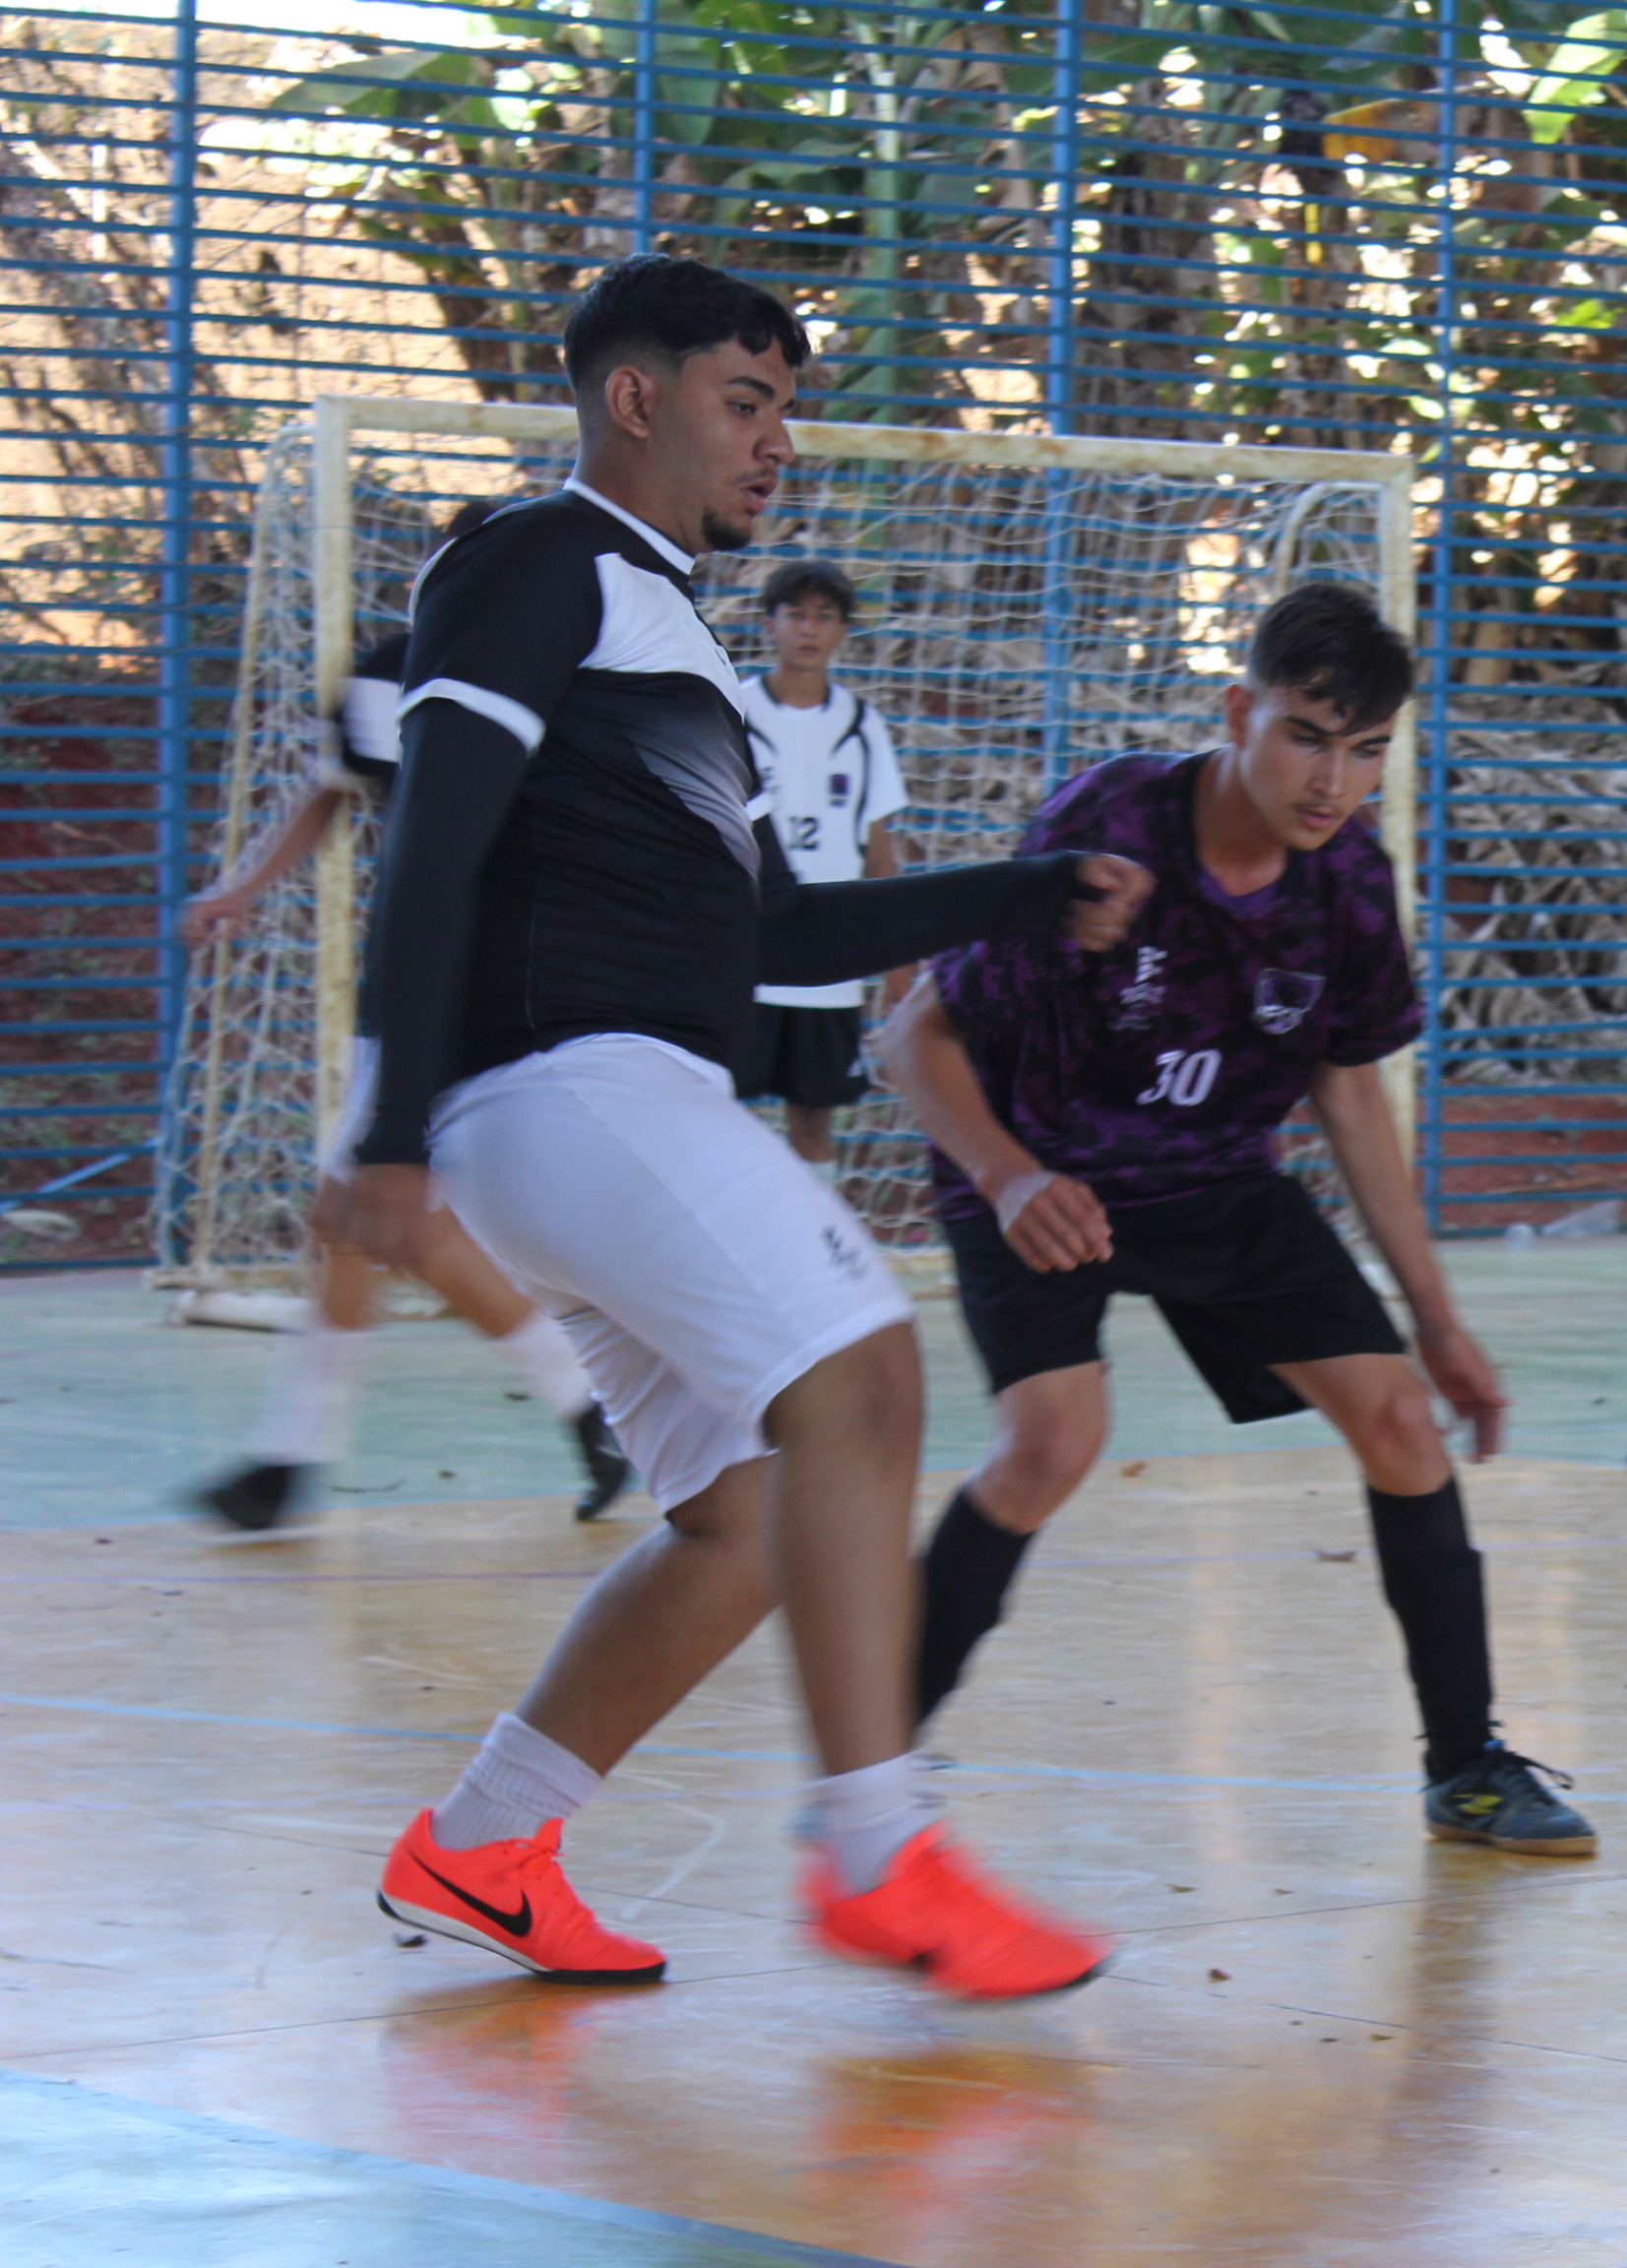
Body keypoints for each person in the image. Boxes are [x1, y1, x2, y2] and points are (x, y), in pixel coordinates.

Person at [335, 253, 1145, 2000]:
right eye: (746, 401)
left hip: (617, 1107)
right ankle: (879, 1853)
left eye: (788, 409)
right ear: (634, 399)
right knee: (864, 1374)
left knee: (757, 1510)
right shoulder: (533, 561)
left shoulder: (681, 649)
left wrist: (1019, 891)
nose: (780, 442)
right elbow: (430, 841)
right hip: (563, 1087)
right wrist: (387, 1128)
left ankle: (484, 1844)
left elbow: (779, 931)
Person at [879, 582, 1594, 1857]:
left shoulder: (1350, 883)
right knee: (1052, 1442)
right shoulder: (1106, 829)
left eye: (1366, 750)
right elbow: (911, 1036)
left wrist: (1438, 1320)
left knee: (1401, 1423)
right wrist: (1007, 1179)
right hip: (1039, 1166)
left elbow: (1351, 1098)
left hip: (1211, 1175)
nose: (1334, 780)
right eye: (1306, 737)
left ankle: (1468, 1768)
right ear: (1236, 713)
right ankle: (869, 1763)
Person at [181, 497, 629, 1531]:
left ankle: (581, 1406)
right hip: (419, 975)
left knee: (373, 1215)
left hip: (494, 980)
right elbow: (331, 794)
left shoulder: (568, 678)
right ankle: (302, 1458)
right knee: (366, 1222)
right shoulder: (386, 673)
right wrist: (243, 888)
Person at [734, 559, 910, 1181]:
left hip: (827, 961)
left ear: (842, 632)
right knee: (715, 1110)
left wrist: (899, 967)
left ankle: (816, 1234)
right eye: (796, 614)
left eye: (824, 616)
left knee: (813, 1119)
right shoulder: (731, 711)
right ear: (769, 625)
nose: (808, 629)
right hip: (743, 955)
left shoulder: (862, 727)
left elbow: (878, 850)